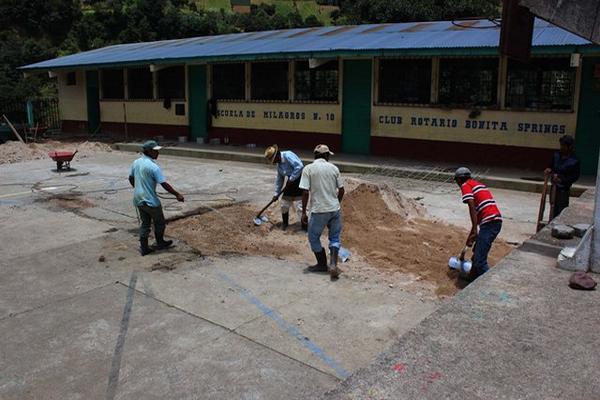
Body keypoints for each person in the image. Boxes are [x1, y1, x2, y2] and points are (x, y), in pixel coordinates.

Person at [129, 140, 184, 256]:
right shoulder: (153, 167)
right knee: (160, 223)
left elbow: (131, 178)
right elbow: (164, 184)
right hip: (151, 201)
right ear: (148, 151)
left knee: (145, 223)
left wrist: (138, 188)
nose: (158, 153)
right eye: (155, 151)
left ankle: (144, 248)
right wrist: (177, 194)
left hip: (138, 199)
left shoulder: (136, 162)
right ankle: (160, 242)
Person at [300, 144, 345, 280]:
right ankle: (332, 265)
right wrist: (336, 203)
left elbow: (305, 191)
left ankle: (321, 264)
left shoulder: (308, 169)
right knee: (335, 238)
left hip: (319, 210)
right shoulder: (334, 168)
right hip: (334, 209)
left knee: (313, 237)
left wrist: (304, 212)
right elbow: (342, 190)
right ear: (325, 156)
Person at [454, 167, 502, 280]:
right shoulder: (478, 184)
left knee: (480, 260)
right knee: (477, 252)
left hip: (490, 222)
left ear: (460, 180)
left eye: (457, 181)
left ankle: (490, 286)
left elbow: (471, 205)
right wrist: (472, 234)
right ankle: (472, 277)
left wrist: (475, 230)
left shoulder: (465, 185)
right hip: (493, 222)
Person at [264, 145, 307, 231]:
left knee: (300, 206)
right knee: (284, 204)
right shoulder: (279, 165)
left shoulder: (288, 155)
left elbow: (299, 166)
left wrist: (291, 179)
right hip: (290, 184)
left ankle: (305, 226)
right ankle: (285, 223)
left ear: (277, 155)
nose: (275, 162)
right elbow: (279, 179)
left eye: (274, 159)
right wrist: (276, 194)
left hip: (300, 180)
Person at [544, 135, 580, 219]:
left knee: (561, 210)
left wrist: (561, 180)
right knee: (553, 207)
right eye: (561, 145)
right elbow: (551, 166)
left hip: (563, 190)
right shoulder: (556, 155)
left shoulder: (574, 161)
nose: (562, 147)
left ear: (570, 147)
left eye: (564, 146)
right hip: (554, 188)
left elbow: (574, 177)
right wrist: (548, 169)